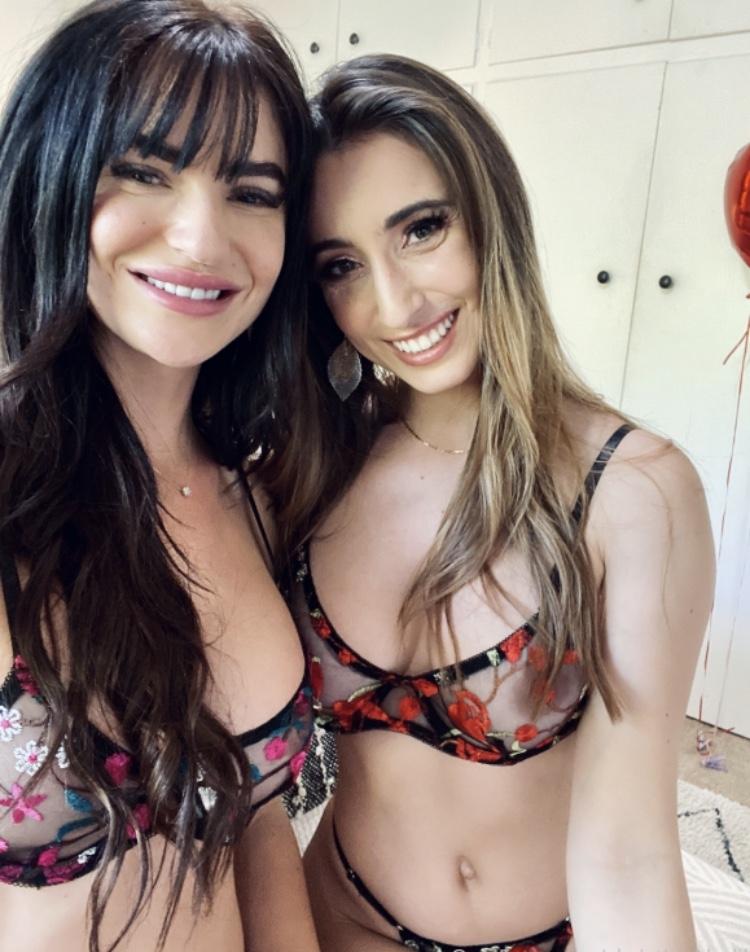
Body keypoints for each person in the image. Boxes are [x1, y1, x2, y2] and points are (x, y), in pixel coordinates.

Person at [284, 54, 716, 951]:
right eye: (341, 265)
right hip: (332, 915)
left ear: (492, 217)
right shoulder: (311, 470)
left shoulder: (633, 492)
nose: (394, 303)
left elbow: (631, 854)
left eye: (422, 229)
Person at [0, 2, 320, 950]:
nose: (200, 239)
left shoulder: (259, 495)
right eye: (143, 170)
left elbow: (257, 826)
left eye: (252, 192)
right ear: (50, 174)